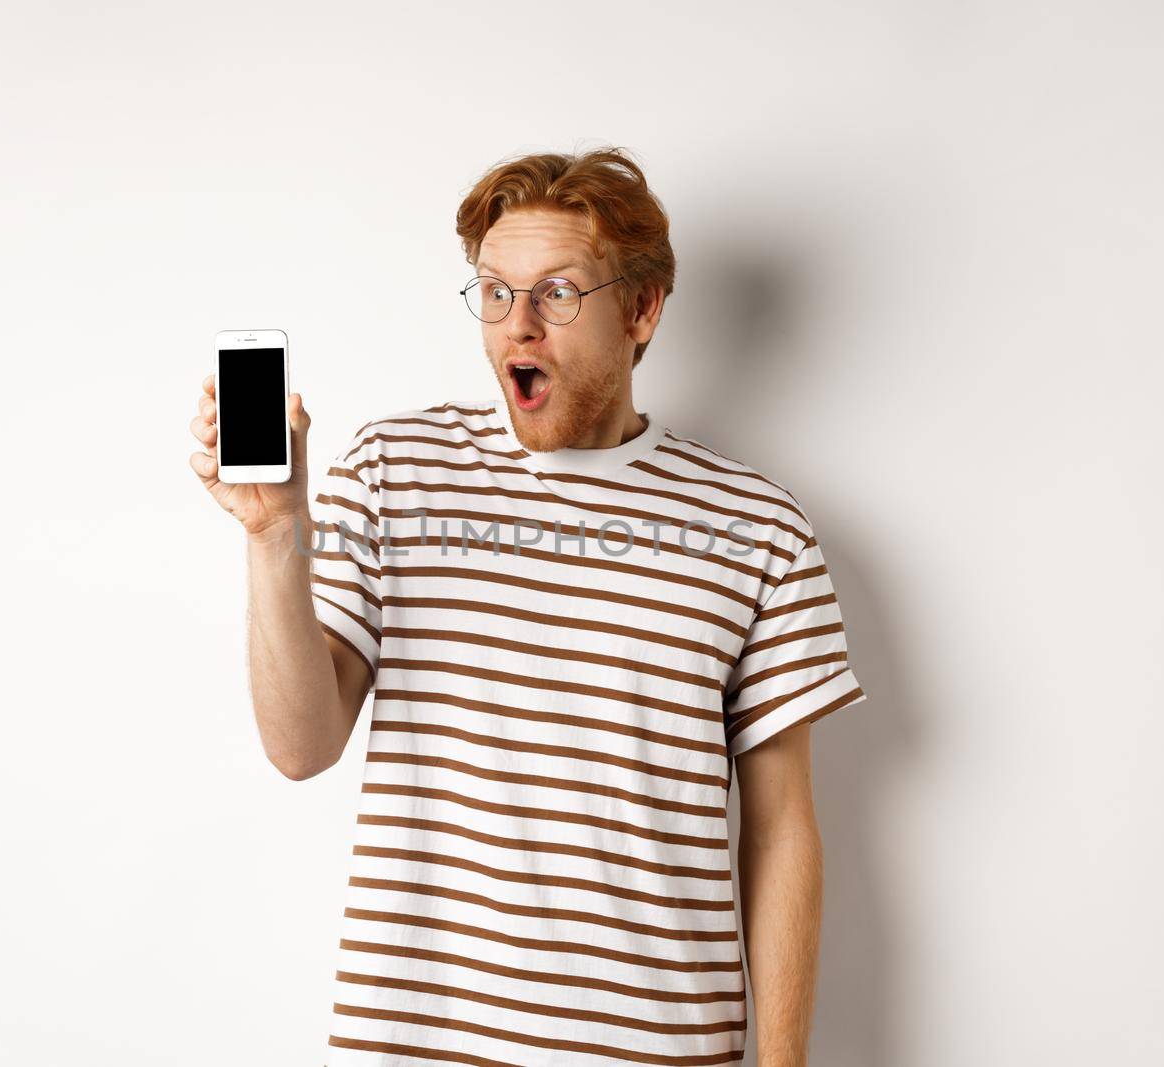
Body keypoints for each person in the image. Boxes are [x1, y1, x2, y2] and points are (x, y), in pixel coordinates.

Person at [189, 146, 868, 1067]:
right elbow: (301, 748)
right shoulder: (396, 471)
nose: (520, 327)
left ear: (641, 308)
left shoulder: (758, 526)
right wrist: (274, 538)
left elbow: (784, 827)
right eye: (496, 293)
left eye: (557, 293)